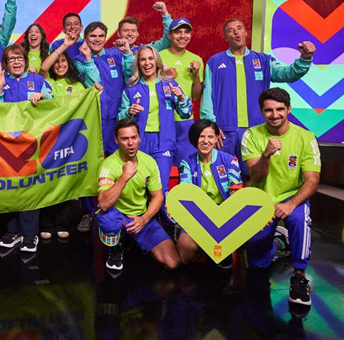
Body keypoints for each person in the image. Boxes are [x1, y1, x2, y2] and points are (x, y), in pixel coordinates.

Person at [201, 19, 315, 175]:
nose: (236, 32)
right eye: (230, 30)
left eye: (239, 28)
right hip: (223, 131)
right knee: (221, 176)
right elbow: (207, 94)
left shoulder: (264, 61)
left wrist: (304, 59)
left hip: (256, 130)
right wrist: (210, 126)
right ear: (225, 37)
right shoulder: (215, 62)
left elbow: (287, 73)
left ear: (246, 32)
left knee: (255, 176)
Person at [241, 88, 321, 307]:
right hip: (262, 200)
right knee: (257, 264)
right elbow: (256, 177)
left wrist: (290, 204)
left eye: (280, 109)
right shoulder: (251, 135)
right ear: (261, 111)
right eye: (269, 110)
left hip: (292, 198)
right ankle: (279, 241)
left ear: (289, 109)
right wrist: (266, 155)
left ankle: (299, 276)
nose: (274, 115)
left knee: (300, 219)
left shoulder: (306, 137)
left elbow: (312, 180)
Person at [52, 22, 127, 233]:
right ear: (85, 38)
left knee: (118, 165)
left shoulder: (116, 55)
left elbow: (131, 72)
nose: (97, 39)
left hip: (117, 120)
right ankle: (89, 211)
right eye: (93, 36)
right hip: (93, 121)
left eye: (101, 35)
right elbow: (93, 84)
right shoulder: (77, 61)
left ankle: (117, 208)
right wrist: (87, 59)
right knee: (91, 166)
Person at [118, 45, 192, 225]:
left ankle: (167, 225)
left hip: (163, 142)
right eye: (143, 59)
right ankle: (142, 226)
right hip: (139, 143)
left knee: (161, 186)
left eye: (150, 58)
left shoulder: (170, 85)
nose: (147, 63)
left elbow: (186, 113)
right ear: (138, 64)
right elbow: (120, 118)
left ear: (157, 61)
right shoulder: (131, 89)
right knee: (139, 185)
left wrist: (182, 98)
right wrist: (128, 111)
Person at [96, 118, 181, 272]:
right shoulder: (108, 165)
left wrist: (144, 219)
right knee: (108, 220)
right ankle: (116, 246)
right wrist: (124, 177)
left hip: (140, 217)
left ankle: (138, 242)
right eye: (125, 139)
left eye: (134, 137)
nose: (130, 143)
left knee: (172, 262)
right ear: (116, 140)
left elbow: (158, 196)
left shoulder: (148, 162)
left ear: (139, 138)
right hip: (119, 217)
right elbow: (103, 203)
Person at [39, 48, 102, 240]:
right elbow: (43, 71)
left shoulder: (78, 85)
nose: (60, 65)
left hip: (71, 139)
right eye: (56, 62)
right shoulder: (47, 83)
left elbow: (90, 98)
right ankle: (46, 224)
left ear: (69, 63)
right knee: (47, 181)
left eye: (63, 61)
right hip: (49, 139)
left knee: (64, 180)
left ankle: (62, 223)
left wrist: (96, 92)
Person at [0, 44, 52, 253]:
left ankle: (29, 234)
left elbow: (55, 103)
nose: (16, 62)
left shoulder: (38, 80)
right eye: (11, 59)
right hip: (7, 144)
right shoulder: (1, 81)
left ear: (26, 61)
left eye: (19, 58)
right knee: (10, 189)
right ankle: (13, 231)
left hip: (32, 143)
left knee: (29, 188)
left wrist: (43, 97)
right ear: (6, 63)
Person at [177, 119, 242, 265]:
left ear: (217, 138)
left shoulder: (230, 161)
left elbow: (236, 192)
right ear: (195, 138)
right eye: (201, 136)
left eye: (210, 137)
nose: (206, 141)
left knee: (223, 256)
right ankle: (205, 249)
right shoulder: (187, 163)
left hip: (224, 214)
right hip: (198, 215)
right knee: (184, 255)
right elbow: (185, 191)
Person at [158, 18, 204, 164]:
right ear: (170, 35)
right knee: (162, 164)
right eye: (178, 32)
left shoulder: (196, 59)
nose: (183, 36)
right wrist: (164, 77)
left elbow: (195, 96)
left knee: (186, 165)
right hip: (163, 118)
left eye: (186, 32)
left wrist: (196, 75)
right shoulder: (158, 57)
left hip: (185, 121)